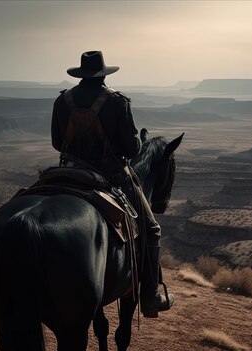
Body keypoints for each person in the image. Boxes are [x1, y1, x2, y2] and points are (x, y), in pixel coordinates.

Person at [51, 51, 174, 318]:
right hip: (110, 175)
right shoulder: (117, 102)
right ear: (103, 75)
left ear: (81, 74)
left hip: (67, 171)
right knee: (151, 229)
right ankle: (150, 296)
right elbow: (131, 148)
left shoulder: (63, 100)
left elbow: (57, 143)